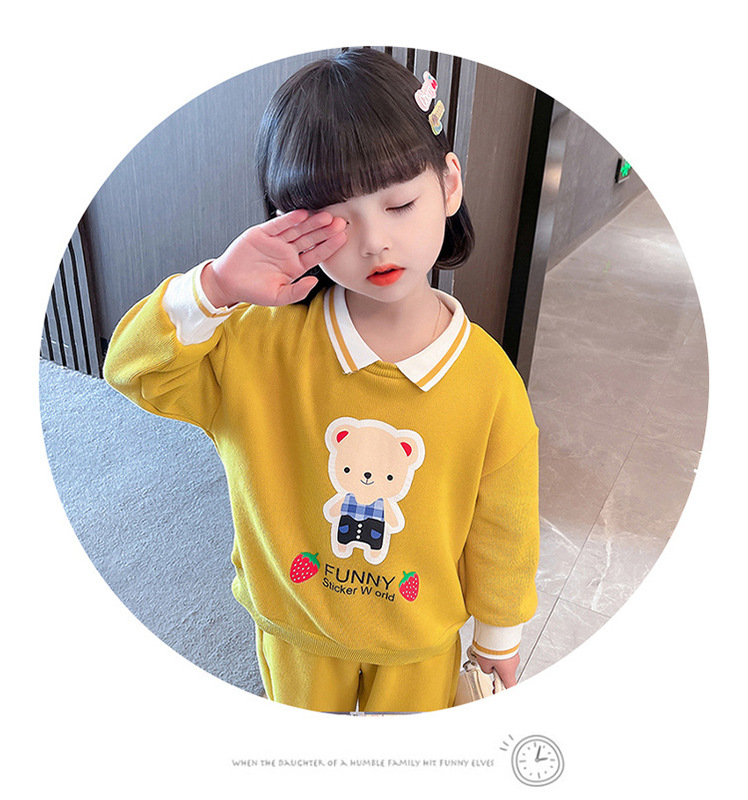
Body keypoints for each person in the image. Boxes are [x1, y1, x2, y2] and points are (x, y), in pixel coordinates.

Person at [104, 48, 539, 713]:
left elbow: (504, 526)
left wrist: (497, 640)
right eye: (336, 221)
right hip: (294, 630)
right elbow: (134, 371)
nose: (375, 242)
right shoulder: (254, 344)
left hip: (419, 644)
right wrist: (215, 287)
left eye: (400, 204)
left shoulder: (488, 381)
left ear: (449, 184)